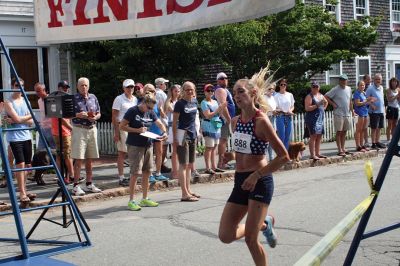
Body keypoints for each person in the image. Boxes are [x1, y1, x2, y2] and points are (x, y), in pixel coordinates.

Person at [218, 68, 289, 266]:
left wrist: (256, 175)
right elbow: (245, 150)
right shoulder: (235, 122)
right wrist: (231, 156)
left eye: (241, 91)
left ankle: (257, 229)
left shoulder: (261, 121)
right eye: (234, 93)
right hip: (240, 181)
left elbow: (284, 156)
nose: (237, 96)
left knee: (250, 240)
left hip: (259, 181)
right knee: (225, 235)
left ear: (253, 94)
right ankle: (264, 224)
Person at [120, 92, 167, 211]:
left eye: (152, 108)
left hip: (148, 144)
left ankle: (145, 198)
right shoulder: (132, 111)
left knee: (147, 172)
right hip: (135, 145)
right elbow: (122, 126)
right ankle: (131, 200)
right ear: (144, 102)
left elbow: (159, 123)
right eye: (149, 107)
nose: (150, 110)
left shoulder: (150, 111)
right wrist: (137, 130)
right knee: (135, 173)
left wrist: (164, 132)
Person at [4, 78, 35, 203]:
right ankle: (22, 193)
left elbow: (31, 119)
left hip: (26, 136)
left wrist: (20, 119)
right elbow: (17, 119)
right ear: (12, 86)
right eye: (17, 85)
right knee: (20, 164)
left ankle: (24, 189)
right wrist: (24, 118)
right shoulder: (8, 101)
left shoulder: (25, 100)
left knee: (27, 165)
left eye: (21, 85)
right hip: (15, 137)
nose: (19, 88)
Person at [71, 77, 102, 196]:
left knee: (90, 158)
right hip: (79, 129)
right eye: (81, 85)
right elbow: (68, 114)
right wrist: (78, 114)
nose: (84, 87)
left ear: (88, 86)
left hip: (92, 128)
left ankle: (89, 183)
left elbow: (99, 112)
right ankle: (76, 185)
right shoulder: (74, 98)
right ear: (77, 87)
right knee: (78, 158)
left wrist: (95, 117)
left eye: (86, 85)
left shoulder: (93, 97)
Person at [173, 81, 200, 202]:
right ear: (183, 90)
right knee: (183, 164)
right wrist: (175, 138)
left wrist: (198, 132)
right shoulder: (179, 104)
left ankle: (188, 190)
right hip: (182, 135)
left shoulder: (194, 101)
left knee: (190, 165)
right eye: (187, 89)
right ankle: (184, 194)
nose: (190, 91)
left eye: (191, 89)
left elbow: (195, 119)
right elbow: (174, 122)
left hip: (193, 134)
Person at [112, 79, 138, 186]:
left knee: (133, 152)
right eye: (128, 87)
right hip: (123, 126)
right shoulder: (119, 99)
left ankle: (132, 176)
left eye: (132, 87)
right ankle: (121, 177)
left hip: (133, 127)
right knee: (122, 152)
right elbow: (114, 116)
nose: (130, 89)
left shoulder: (135, 99)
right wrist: (116, 132)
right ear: (123, 88)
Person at [51, 81, 75, 185]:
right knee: (67, 155)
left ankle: (61, 176)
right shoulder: (60, 99)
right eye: (64, 88)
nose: (66, 90)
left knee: (59, 155)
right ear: (59, 88)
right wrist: (72, 129)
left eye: (67, 88)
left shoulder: (54, 98)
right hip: (63, 132)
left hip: (56, 131)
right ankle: (72, 176)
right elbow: (62, 119)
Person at [325, 74, 352, 156]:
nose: (344, 81)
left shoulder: (349, 89)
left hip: (346, 113)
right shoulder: (335, 89)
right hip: (338, 113)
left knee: (344, 131)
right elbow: (326, 96)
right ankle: (339, 149)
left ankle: (343, 148)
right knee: (339, 132)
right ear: (339, 81)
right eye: (342, 80)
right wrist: (333, 104)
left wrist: (352, 110)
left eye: (345, 80)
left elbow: (350, 100)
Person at [200, 84, 226, 174]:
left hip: (216, 124)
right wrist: (218, 109)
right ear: (205, 92)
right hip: (208, 125)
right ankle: (208, 167)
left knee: (214, 147)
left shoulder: (215, 101)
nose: (210, 92)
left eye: (212, 90)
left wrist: (222, 108)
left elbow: (218, 113)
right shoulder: (203, 103)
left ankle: (214, 167)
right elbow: (208, 115)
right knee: (209, 147)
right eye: (208, 90)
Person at [146, 84, 169, 182]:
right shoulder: (142, 102)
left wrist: (161, 110)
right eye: (147, 90)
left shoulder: (156, 102)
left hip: (157, 130)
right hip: (147, 132)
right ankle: (150, 174)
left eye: (151, 90)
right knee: (149, 154)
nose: (150, 92)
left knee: (159, 152)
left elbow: (163, 116)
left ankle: (158, 173)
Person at [214, 72, 236, 169]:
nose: (225, 80)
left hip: (224, 119)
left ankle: (222, 162)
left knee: (223, 140)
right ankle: (221, 163)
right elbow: (223, 106)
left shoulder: (224, 90)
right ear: (218, 80)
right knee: (222, 140)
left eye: (226, 78)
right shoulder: (220, 90)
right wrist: (228, 119)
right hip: (223, 119)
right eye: (222, 78)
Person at [304, 81, 328, 160]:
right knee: (313, 136)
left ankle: (318, 153)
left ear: (319, 87)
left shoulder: (321, 95)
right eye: (313, 87)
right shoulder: (309, 96)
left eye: (316, 87)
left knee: (319, 135)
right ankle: (312, 154)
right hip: (312, 119)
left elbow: (326, 102)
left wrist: (323, 108)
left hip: (319, 119)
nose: (315, 88)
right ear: (311, 88)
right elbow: (307, 108)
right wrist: (318, 105)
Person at [154, 77, 171, 174]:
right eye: (164, 83)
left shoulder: (155, 93)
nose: (165, 85)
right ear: (160, 84)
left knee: (160, 145)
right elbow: (166, 107)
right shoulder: (161, 94)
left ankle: (160, 165)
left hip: (157, 121)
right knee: (163, 145)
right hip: (163, 121)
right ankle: (160, 166)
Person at [164, 84, 181, 179]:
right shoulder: (169, 102)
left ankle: (178, 170)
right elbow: (174, 112)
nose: (177, 93)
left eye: (179, 91)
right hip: (173, 126)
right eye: (175, 91)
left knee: (179, 150)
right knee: (175, 149)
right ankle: (174, 171)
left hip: (181, 126)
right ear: (172, 92)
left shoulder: (180, 101)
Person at [366, 74, 386, 149]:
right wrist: (371, 105)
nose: (378, 81)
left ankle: (377, 142)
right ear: (374, 80)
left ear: (381, 80)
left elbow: (382, 99)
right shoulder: (370, 88)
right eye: (377, 79)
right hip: (374, 112)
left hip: (381, 111)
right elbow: (366, 99)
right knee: (374, 128)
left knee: (379, 127)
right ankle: (373, 143)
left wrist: (384, 108)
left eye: (379, 79)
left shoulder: (381, 88)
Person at [353, 81, 374, 152]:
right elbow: (357, 103)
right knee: (358, 130)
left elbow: (365, 103)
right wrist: (366, 101)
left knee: (362, 130)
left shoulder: (363, 93)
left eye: (363, 85)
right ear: (358, 86)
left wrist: (370, 102)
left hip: (365, 113)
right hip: (360, 113)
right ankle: (357, 146)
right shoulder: (357, 93)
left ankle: (362, 145)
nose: (362, 86)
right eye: (361, 85)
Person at [34, 82, 56, 150]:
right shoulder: (39, 101)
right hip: (43, 128)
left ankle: (54, 161)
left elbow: (55, 113)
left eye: (38, 91)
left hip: (51, 128)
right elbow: (43, 114)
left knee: (54, 149)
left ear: (44, 90)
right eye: (36, 91)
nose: (37, 93)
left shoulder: (52, 99)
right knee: (41, 150)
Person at [274, 78, 295, 150]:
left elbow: (292, 106)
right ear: (279, 86)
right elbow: (275, 107)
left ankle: (286, 155)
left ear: (286, 85)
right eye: (281, 84)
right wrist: (282, 110)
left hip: (288, 116)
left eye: (284, 84)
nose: (283, 86)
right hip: (280, 116)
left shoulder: (290, 95)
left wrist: (290, 110)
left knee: (287, 136)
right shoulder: (276, 96)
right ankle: (281, 154)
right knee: (281, 136)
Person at [264, 83, 277, 161]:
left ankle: (271, 156)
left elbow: (275, 107)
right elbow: (262, 109)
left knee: (272, 138)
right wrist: (272, 111)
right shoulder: (263, 97)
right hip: (267, 118)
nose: (271, 90)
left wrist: (275, 111)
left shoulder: (273, 97)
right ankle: (264, 157)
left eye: (272, 89)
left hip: (273, 118)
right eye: (269, 89)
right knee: (266, 138)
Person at [385, 77, 400, 141]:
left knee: (395, 124)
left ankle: (393, 139)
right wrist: (396, 96)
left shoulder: (398, 89)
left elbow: (398, 99)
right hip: (390, 108)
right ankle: (388, 139)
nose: (394, 83)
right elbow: (389, 100)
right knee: (390, 124)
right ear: (391, 83)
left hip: (396, 107)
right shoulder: (389, 90)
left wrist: (397, 97)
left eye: (395, 81)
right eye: (393, 81)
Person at [363, 74, 372, 147]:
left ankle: (374, 141)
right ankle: (366, 141)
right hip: (365, 109)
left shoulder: (372, 87)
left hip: (372, 109)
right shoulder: (362, 88)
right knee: (365, 127)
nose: (370, 80)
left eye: (370, 79)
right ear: (364, 80)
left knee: (374, 126)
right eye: (368, 79)